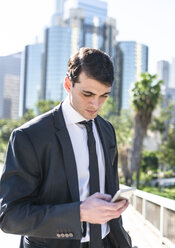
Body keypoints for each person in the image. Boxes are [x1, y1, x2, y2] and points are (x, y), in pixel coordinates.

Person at [0, 47, 132, 248]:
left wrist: (113, 207)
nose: (95, 105)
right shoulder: (29, 136)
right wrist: (79, 212)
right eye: (87, 94)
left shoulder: (107, 130)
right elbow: (10, 217)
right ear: (68, 84)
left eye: (104, 95)